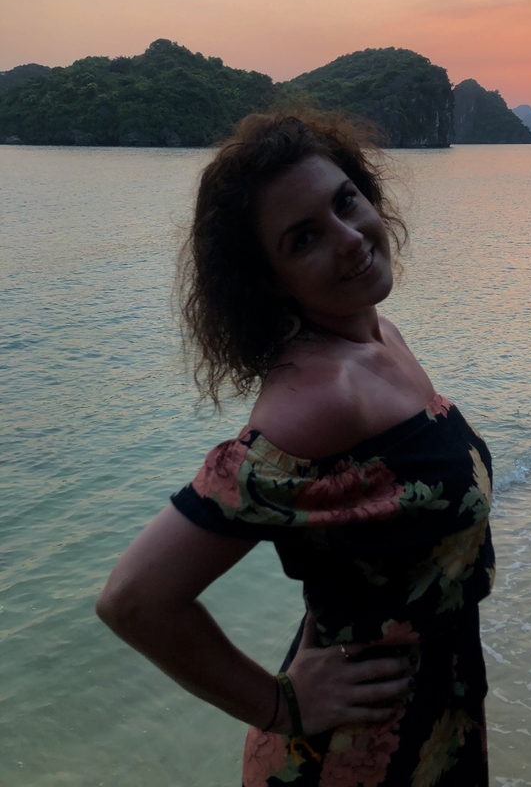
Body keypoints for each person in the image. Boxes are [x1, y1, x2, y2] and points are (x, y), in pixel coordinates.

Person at [96, 111, 496, 787]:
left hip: (434, 720)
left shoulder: (378, 338)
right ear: (271, 280)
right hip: (356, 757)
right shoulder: (317, 400)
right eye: (304, 238)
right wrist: (278, 704)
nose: (349, 239)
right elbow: (134, 599)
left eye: (345, 202)